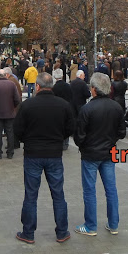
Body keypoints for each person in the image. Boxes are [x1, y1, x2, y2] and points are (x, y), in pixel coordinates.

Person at [13, 72, 75, 244]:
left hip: (33, 153)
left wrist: (27, 139)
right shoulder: (63, 105)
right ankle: (62, 232)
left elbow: (17, 130)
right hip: (54, 153)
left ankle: (28, 232)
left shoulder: (28, 105)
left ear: (37, 87)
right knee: (58, 194)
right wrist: (59, 137)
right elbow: (71, 128)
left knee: (31, 195)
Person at [73, 72, 126, 237]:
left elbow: (79, 136)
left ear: (94, 89)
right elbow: (122, 132)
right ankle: (113, 223)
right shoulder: (116, 107)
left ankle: (91, 225)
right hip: (109, 152)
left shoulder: (87, 109)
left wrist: (84, 145)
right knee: (111, 189)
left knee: (89, 190)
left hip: (91, 154)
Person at [0, 69, 20, 160]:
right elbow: (17, 99)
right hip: (10, 112)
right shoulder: (12, 84)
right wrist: (13, 107)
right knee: (10, 132)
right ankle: (10, 152)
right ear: (5, 75)